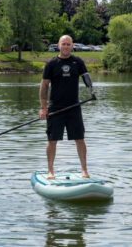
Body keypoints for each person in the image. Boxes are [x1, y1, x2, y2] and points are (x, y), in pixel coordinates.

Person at [39, 35, 94, 179]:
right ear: (58, 45)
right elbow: (44, 86)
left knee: (80, 139)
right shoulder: (51, 64)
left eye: (68, 44)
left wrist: (91, 90)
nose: (66, 46)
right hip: (55, 108)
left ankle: (84, 170)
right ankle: (50, 171)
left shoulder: (78, 62)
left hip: (74, 107)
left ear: (72, 46)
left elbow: (86, 77)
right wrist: (43, 108)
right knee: (52, 140)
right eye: (63, 44)